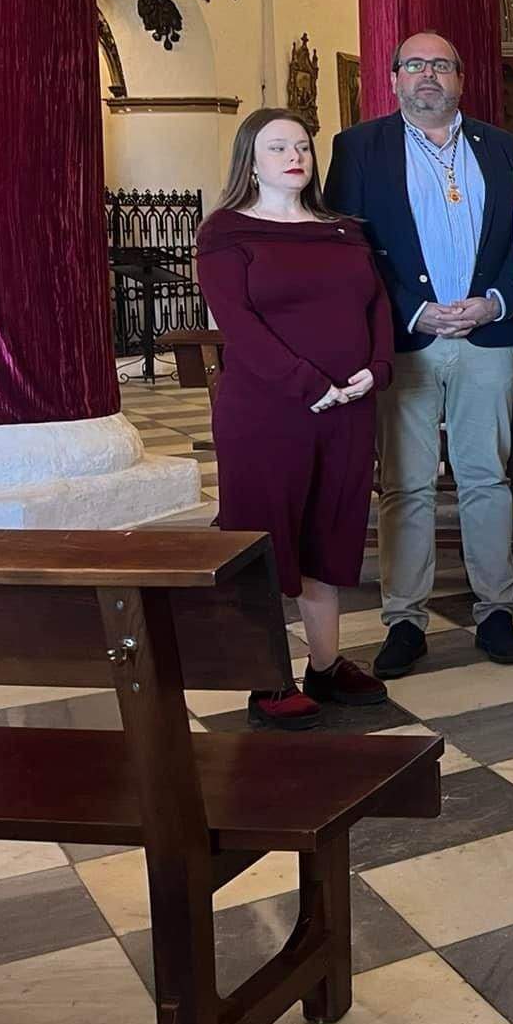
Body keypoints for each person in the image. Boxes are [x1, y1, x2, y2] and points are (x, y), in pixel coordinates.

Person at [325, 31, 513, 680]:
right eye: (414, 65)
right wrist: (409, 309)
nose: (428, 76)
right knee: (407, 482)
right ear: (393, 80)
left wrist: (495, 300)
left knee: (486, 476)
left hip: (484, 337)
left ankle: (495, 608)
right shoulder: (360, 148)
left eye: (442, 64)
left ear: (461, 79)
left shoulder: (501, 149)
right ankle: (405, 619)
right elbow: (344, 246)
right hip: (406, 340)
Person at [197, 109, 392, 730]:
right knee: (263, 539)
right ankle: (266, 677)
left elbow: (377, 305)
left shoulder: (343, 230)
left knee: (331, 533)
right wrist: (310, 385)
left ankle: (327, 666)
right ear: (249, 160)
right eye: (277, 146)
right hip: (268, 410)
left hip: (348, 409)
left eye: (302, 146)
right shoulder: (227, 231)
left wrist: (377, 368)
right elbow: (238, 324)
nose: (294, 155)